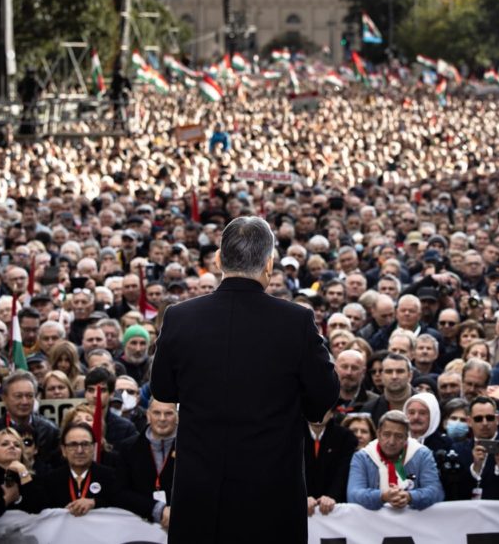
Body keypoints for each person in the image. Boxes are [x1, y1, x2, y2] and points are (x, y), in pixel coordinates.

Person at [150, 216, 339, 544]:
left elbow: (163, 389)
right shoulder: (296, 321)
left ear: (219, 260)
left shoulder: (179, 317)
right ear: (269, 264)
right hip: (271, 493)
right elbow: (324, 396)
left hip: (200, 491)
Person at [346, 410, 444, 510]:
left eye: (399, 436)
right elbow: (353, 495)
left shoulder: (422, 454)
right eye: (387, 434)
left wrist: (409, 497)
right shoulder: (363, 457)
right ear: (378, 434)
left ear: (406, 437)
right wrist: (383, 496)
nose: (391, 442)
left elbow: (436, 492)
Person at [25, 423, 125, 515]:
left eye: (85, 444)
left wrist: (95, 502)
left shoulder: (110, 476)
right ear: (64, 450)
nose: (80, 450)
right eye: (73, 445)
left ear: (94, 448)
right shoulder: (51, 479)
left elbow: (122, 503)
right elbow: (36, 508)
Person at [0, 371, 60, 472]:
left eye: (29, 396)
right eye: (18, 396)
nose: (24, 402)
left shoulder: (50, 431)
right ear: (4, 398)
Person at [115, 399, 177, 527]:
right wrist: (158, 509)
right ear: (148, 415)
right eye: (156, 413)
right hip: (139, 527)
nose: (162, 418)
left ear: (178, 416)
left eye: (168, 413)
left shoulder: (192, 448)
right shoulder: (128, 447)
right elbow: (120, 492)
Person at [304, 409, 359, 516]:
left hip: (334, 510)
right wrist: (301, 497)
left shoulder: (346, 437)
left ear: (332, 412)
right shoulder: (290, 435)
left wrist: (332, 496)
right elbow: (288, 472)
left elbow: (343, 472)